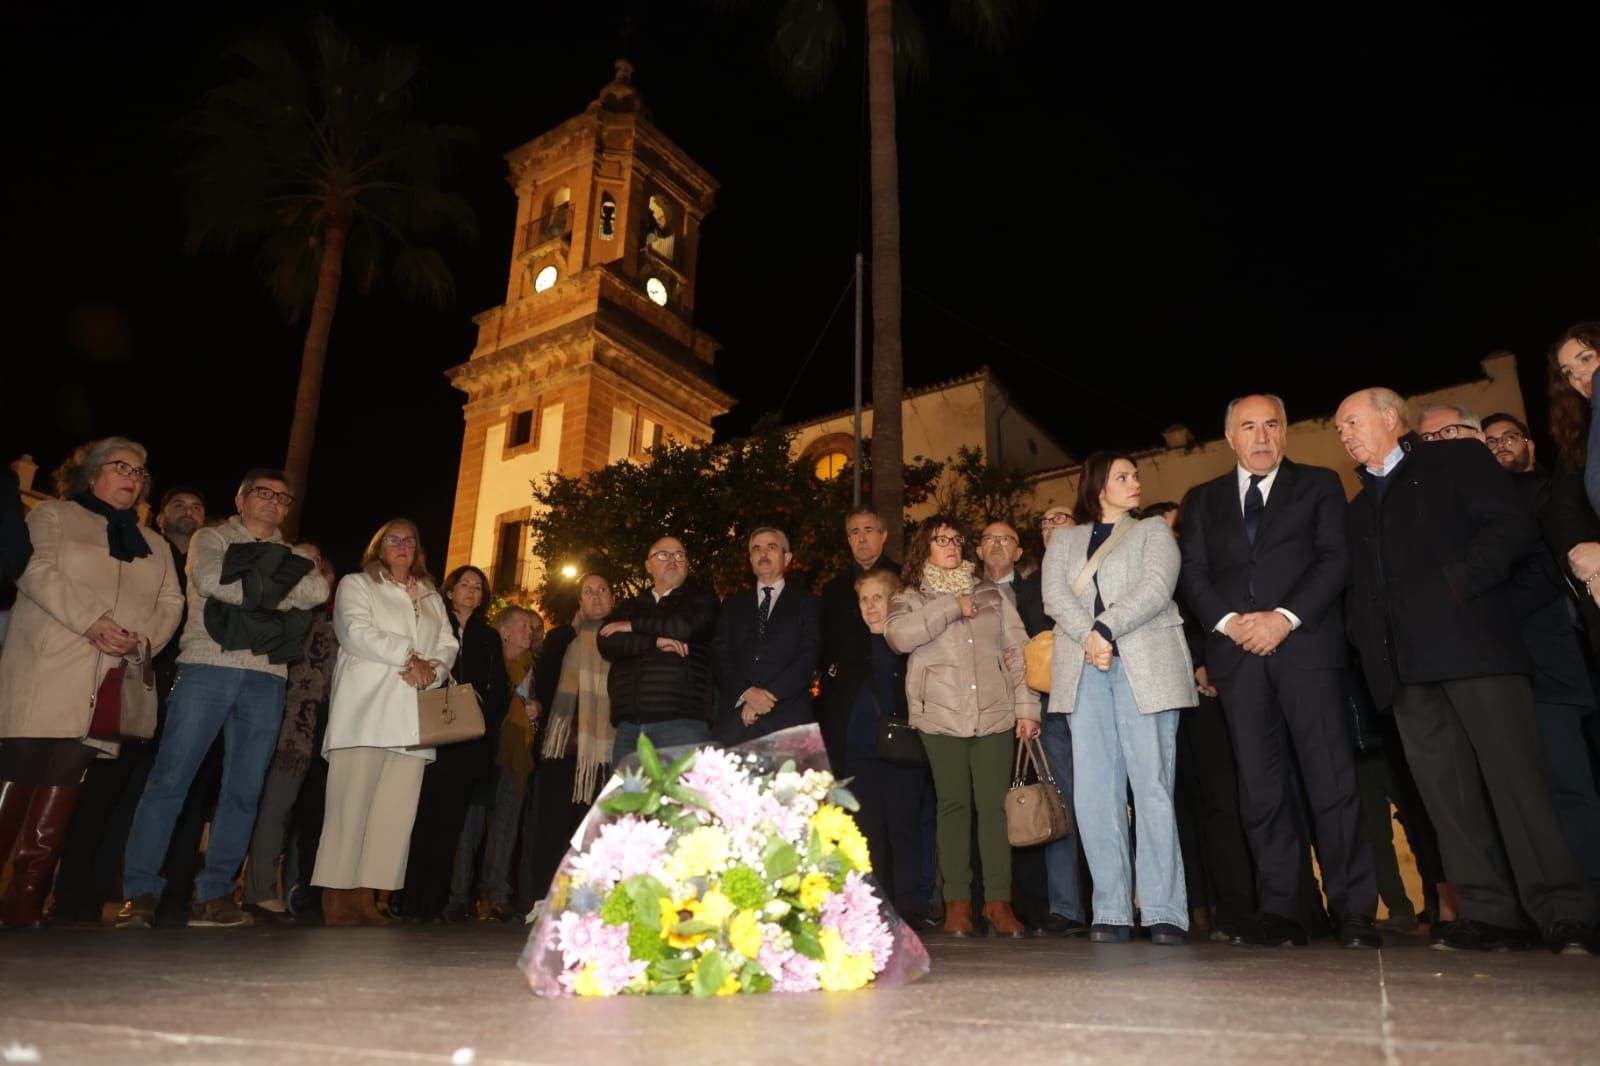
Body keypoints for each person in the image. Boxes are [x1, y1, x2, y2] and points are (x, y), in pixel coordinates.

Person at [1336, 387, 1596, 954]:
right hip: (1405, 671)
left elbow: (1510, 530)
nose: (1346, 434)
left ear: (1389, 418)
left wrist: (1458, 584)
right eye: (1339, 429)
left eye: (1352, 422)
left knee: (1518, 784)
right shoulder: (1357, 507)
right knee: (1446, 799)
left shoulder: (1454, 458)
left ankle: (1564, 910)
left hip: (1475, 649)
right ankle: (1489, 911)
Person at [1178, 394, 1379, 949]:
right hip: (1237, 658)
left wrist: (1283, 619)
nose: (1262, 436)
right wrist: (1229, 623)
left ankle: (1355, 910)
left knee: (1331, 782)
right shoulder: (1201, 500)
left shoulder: (1318, 485)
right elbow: (1192, 573)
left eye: (1272, 425)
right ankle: (1285, 911)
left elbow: (1334, 558)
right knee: (1261, 789)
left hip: (1306, 650)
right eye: (1249, 426)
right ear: (1231, 438)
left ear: (1285, 432)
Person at [117, 468, 326, 929]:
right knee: (170, 781)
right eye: (264, 493)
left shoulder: (294, 554)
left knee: (243, 791)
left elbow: (317, 591)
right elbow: (214, 582)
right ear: (242, 497)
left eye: (283, 498)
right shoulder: (211, 540)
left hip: (267, 679)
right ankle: (140, 892)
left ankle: (214, 894)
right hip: (206, 668)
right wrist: (277, 590)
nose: (273, 502)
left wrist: (256, 585)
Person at [0, 438, 184, 928]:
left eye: (140, 471)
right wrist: (92, 621)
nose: (133, 476)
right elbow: (32, 570)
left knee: (63, 785)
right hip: (48, 664)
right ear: (91, 473)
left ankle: (23, 905)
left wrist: (140, 640)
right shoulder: (55, 515)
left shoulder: (157, 543)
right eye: (121, 466)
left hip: (108, 681)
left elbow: (172, 602)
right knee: (17, 771)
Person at [1043, 452, 1196, 945]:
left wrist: (1106, 629)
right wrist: (1092, 636)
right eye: (1123, 476)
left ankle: (1163, 909)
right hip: (1085, 669)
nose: (1135, 483)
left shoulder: (1153, 531)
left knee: (1151, 784)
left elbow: (1156, 588)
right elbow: (1054, 597)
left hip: (1144, 665)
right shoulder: (1064, 540)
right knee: (1093, 791)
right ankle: (1109, 908)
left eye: (1136, 476)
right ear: (1097, 486)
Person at [51, 485, 209, 925]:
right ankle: (75, 896)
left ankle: (170, 897)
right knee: (106, 786)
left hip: (190, 690)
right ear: (158, 517)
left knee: (179, 794)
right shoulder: (142, 551)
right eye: (178, 504)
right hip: (135, 677)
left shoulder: (211, 566)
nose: (187, 511)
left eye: (196, 506)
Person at [885, 514, 1039, 938]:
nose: (951, 546)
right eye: (941, 540)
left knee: (994, 809)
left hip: (994, 712)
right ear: (925, 549)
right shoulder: (911, 595)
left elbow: (1019, 651)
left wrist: (1027, 708)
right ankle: (956, 905)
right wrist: (952, 607)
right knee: (953, 806)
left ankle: (997, 903)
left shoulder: (990, 592)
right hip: (940, 714)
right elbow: (898, 636)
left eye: (956, 539)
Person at [312, 519, 458, 927]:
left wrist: (435, 669)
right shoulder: (357, 584)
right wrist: (409, 657)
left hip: (412, 714)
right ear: (378, 546)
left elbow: (448, 641)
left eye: (410, 540)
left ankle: (368, 896)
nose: (402, 545)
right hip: (366, 709)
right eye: (393, 539)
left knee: (394, 812)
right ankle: (336, 895)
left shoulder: (430, 594)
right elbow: (355, 631)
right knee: (350, 804)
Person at [400, 565, 509, 921]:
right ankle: (406, 899)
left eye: (478, 587)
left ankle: (433, 903)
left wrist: (476, 712)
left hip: (468, 740)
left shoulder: (489, 636)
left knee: (452, 823)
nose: (471, 591)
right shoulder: (432, 622)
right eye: (465, 584)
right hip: (429, 733)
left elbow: (497, 689)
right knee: (420, 818)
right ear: (449, 591)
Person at [241, 542, 337, 922]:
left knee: (312, 816)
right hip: (288, 727)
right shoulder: (282, 610)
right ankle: (260, 890)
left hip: (325, 729)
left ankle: (300, 891)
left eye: (323, 569)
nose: (319, 574)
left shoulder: (335, 620)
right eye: (309, 564)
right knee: (275, 810)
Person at [998, 512, 1084, 936]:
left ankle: (1121, 904)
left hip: (1097, 697)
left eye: (1061, 517)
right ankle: (1067, 908)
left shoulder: (1095, 572)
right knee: (1059, 804)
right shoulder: (1026, 588)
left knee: (1110, 806)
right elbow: (1016, 641)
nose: (1051, 524)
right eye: (1045, 520)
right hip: (1051, 707)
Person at [834, 567, 927, 925]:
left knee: (904, 829)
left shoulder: (907, 644)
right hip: (859, 752)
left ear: (894, 601)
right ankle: (873, 906)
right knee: (867, 830)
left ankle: (909, 907)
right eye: (864, 599)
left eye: (878, 598)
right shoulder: (850, 645)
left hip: (902, 750)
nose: (871, 606)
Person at [526, 573, 616, 899]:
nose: (595, 596)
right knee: (552, 826)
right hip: (563, 745)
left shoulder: (623, 639)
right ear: (579, 601)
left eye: (601, 590)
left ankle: (591, 900)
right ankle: (544, 898)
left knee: (597, 827)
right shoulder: (564, 637)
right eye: (588, 591)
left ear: (613, 598)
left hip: (605, 746)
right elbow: (546, 684)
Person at [449, 605, 539, 921]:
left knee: (506, 827)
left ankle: (498, 895)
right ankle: (458, 895)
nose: (530, 632)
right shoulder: (490, 660)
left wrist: (536, 712)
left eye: (532, 627)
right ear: (504, 630)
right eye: (523, 626)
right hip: (485, 751)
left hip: (516, 757)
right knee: (469, 827)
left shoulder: (534, 667)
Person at [598, 536, 718, 756]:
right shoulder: (629, 605)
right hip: (630, 728)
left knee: (683, 790)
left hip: (682, 724)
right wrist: (655, 642)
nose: (672, 560)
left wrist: (633, 626)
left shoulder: (701, 600)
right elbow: (607, 641)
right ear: (648, 565)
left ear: (687, 564)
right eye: (663, 555)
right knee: (627, 791)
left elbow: (684, 628)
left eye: (679, 555)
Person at [712, 527, 822, 745]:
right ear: (750, 558)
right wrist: (747, 694)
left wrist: (766, 697)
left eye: (771, 548)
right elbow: (719, 656)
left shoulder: (808, 604)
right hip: (737, 724)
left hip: (789, 721)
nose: (763, 554)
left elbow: (808, 656)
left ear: (787, 558)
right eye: (757, 549)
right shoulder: (732, 605)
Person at [818, 508, 899, 774]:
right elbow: (824, 644)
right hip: (845, 701)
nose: (862, 538)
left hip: (894, 693)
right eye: (855, 532)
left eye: (868, 530)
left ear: (883, 535)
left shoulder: (905, 579)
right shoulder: (833, 590)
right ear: (848, 540)